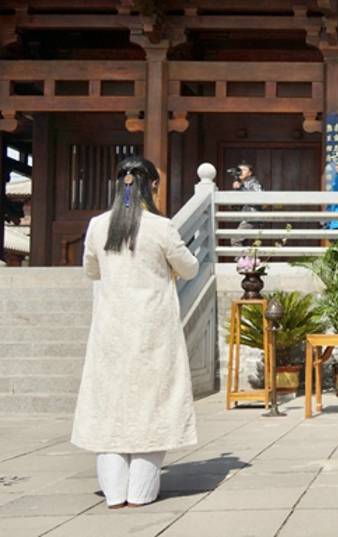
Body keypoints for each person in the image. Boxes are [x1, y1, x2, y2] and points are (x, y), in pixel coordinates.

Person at [72, 156, 199, 509]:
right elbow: (188, 269)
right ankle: (141, 493)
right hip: (152, 329)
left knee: (108, 409)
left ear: (119, 183)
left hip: (110, 329)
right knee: (153, 408)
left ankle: (114, 494)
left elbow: (90, 270)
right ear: (153, 185)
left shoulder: (98, 225)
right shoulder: (160, 227)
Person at [230, 162, 262, 247]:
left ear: (250, 173)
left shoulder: (254, 183)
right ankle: (246, 260)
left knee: (235, 240)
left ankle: (242, 260)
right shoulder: (242, 184)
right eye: (239, 170)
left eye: (244, 170)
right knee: (244, 244)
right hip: (245, 217)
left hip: (251, 217)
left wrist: (240, 188)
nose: (241, 172)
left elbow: (257, 197)